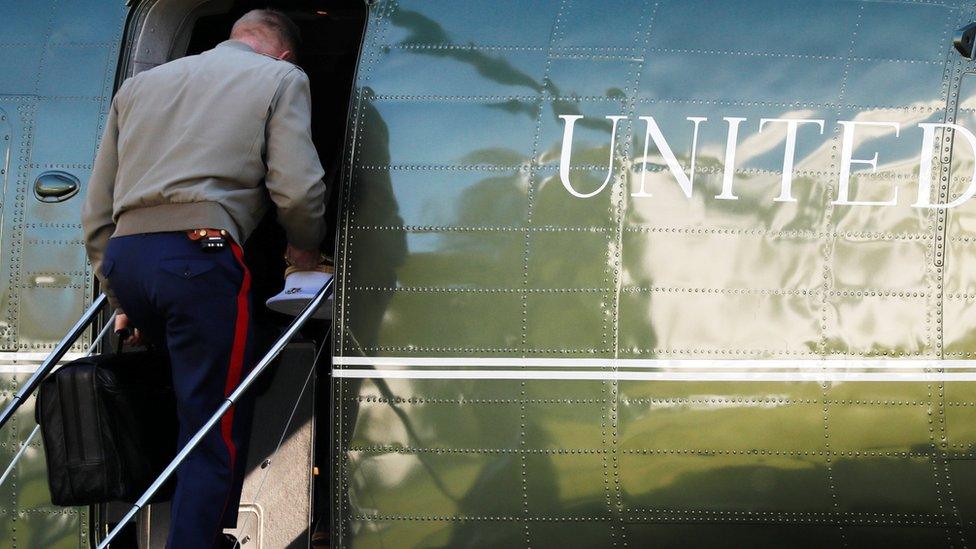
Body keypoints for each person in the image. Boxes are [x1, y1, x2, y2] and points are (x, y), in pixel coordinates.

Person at [81, 9, 326, 548]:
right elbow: (298, 189)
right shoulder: (283, 78)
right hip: (200, 257)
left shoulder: (139, 85)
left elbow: (97, 211)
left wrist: (123, 297)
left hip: (129, 258)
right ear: (282, 52)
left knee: (189, 394)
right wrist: (304, 249)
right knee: (214, 423)